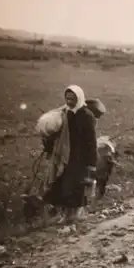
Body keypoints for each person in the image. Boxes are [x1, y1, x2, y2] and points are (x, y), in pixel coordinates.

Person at [40, 85, 98, 224]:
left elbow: (91, 141)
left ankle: (74, 214)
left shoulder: (86, 116)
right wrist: (49, 147)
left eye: (72, 99)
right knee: (60, 184)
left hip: (79, 157)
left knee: (74, 186)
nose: (69, 101)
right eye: (67, 98)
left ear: (79, 98)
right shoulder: (63, 113)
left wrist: (91, 163)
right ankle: (65, 214)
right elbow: (54, 132)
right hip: (65, 155)